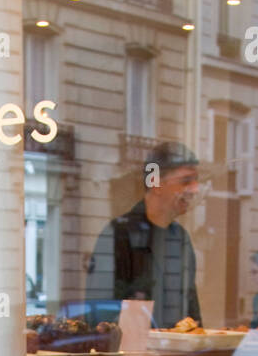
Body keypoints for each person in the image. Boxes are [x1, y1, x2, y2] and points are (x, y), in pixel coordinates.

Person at [85, 140, 201, 329]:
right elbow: (101, 318)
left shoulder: (181, 239)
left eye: (196, 181)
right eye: (186, 181)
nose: (195, 189)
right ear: (155, 182)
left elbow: (192, 316)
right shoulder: (119, 234)